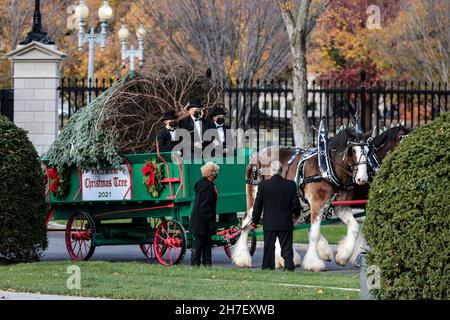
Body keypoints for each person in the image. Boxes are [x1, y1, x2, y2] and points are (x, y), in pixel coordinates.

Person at [251, 160, 301, 271]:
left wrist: (255, 220)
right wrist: (295, 215)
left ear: (271, 171)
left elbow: (257, 206)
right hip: (285, 222)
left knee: (269, 248)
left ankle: (268, 268)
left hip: (269, 223)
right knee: (287, 248)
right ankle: (289, 267)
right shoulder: (290, 185)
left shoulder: (263, 185)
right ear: (281, 171)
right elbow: (296, 205)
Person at [189, 162, 220, 266]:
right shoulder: (208, 187)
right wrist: (212, 223)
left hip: (198, 219)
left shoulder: (202, 183)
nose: (217, 174)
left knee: (205, 244)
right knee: (200, 244)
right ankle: (196, 264)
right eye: (216, 172)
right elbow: (205, 207)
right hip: (203, 222)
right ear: (212, 173)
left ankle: (206, 265)